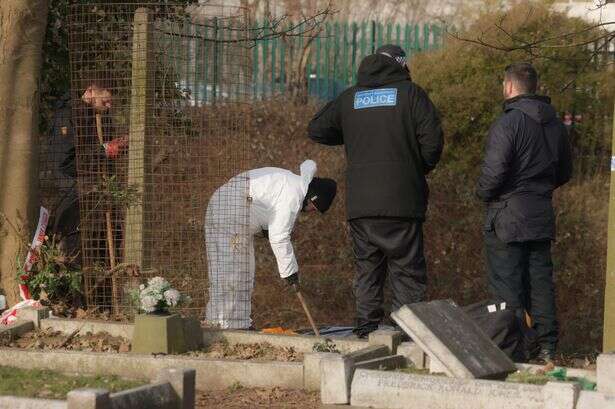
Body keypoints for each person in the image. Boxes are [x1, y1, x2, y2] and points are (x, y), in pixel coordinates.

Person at [307, 44, 444, 338]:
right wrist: (413, 169)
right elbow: (433, 143)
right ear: (401, 65)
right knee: (406, 271)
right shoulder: (412, 95)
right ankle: (408, 338)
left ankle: (366, 334)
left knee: (367, 270)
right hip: (403, 202)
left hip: (362, 205)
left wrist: (353, 132)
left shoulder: (350, 98)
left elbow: (316, 128)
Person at [476, 62, 572, 362]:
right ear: (535, 87)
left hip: (506, 217)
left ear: (508, 87)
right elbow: (565, 171)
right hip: (540, 215)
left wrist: (482, 194)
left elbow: (493, 174)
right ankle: (546, 349)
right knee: (541, 284)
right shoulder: (555, 125)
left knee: (507, 288)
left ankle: (513, 351)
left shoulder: (507, 123)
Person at [204, 160, 337, 329]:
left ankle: (237, 323)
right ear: (313, 197)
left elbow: (261, 206)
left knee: (243, 272)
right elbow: (279, 237)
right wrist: (290, 272)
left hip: (229, 210)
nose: (311, 212)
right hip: (228, 214)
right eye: (314, 208)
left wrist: (264, 228)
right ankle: (223, 325)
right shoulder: (293, 195)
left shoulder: (290, 183)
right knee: (232, 272)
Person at [47, 82, 127, 263]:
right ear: (90, 91)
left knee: (108, 250)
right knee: (75, 255)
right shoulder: (68, 117)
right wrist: (104, 151)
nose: (109, 106)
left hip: (99, 200)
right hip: (73, 201)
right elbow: (65, 163)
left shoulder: (99, 117)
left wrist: (119, 146)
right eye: (105, 101)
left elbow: (99, 153)